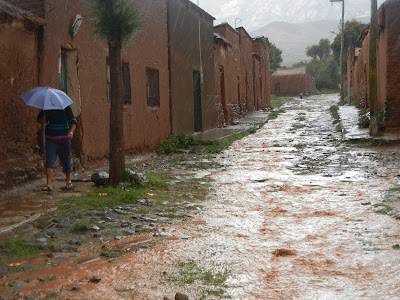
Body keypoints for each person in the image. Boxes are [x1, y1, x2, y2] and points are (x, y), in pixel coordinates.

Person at [37, 106, 77, 191]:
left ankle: (68, 180)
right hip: (50, 140)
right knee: (49, 161)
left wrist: (71, 132)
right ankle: (49, 184)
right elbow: (39, 120)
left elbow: (73, 121)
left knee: (66, 160)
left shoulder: (66, 108)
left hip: (64, 139)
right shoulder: (45, 108)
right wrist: (42, 119)